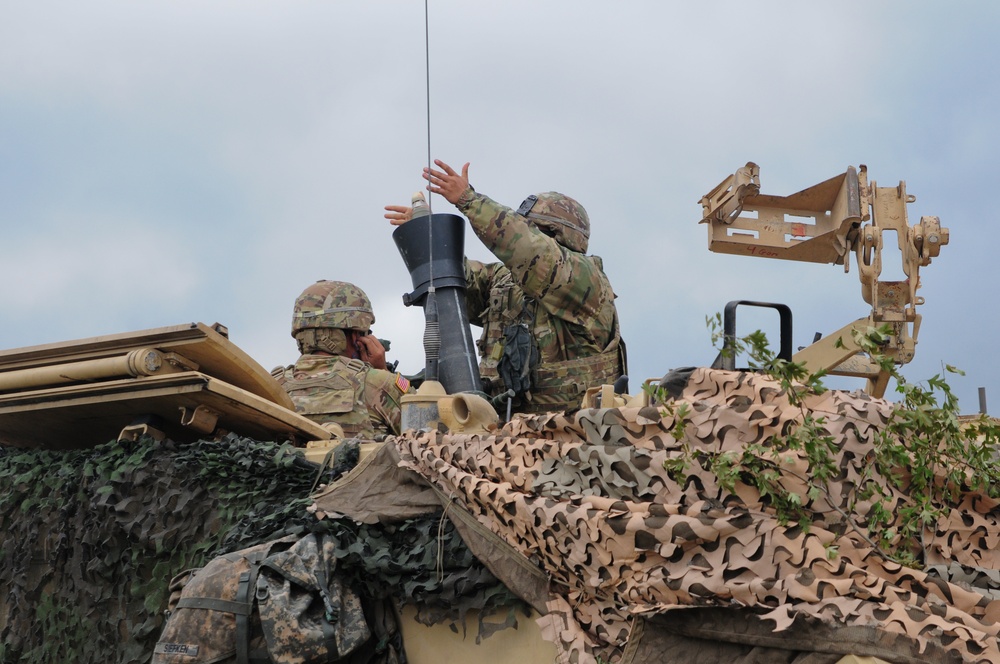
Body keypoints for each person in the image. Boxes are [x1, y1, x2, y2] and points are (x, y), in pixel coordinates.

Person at [385, 160, 626, 413]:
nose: (526, 231)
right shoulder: (505, 279)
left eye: (533, 228)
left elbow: (530, 249)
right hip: (502, 427)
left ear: (559, 235)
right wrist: (429, 233)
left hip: (570, 429)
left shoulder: (585, 280)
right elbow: (458, 284)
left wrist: (469, 200)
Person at [272, 280, 411, 437]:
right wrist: (383, 374)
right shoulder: (378, 384)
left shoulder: (271, 385)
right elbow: (432, 440)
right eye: (365, 332)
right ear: (355, 336)